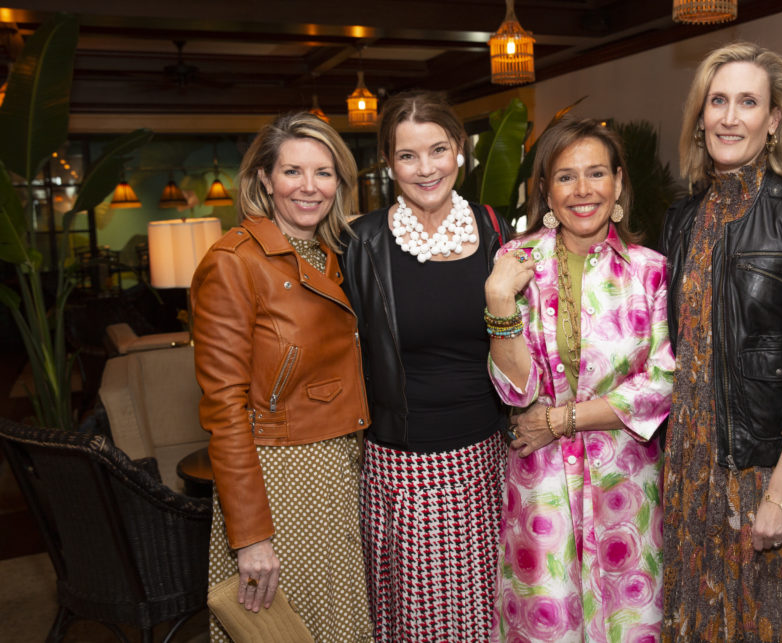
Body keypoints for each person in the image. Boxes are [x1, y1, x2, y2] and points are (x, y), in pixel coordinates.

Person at [659, 41, 782, 641]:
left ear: (773, 122)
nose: (729, 117)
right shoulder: (682, 220)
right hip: (690, 472)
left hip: (764, 469)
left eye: (748, 102)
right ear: (701, 117)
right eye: (718, 101)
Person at [484, 117, 675, 642]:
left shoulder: (650, 270)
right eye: (566, 177)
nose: (583, 190)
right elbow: (514, 391)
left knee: (629, 622)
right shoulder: (516, 262)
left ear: (618, 183)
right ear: (546, 188)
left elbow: (663, 381)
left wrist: (562, 419)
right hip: (540, 486)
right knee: (547, 622)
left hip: (626, 485)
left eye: (596, 174)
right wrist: (500, 301)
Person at [192, 111, 373, 642]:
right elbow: (223, 409)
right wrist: (249, 536)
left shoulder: (330, 252)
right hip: (280, 475)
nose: (309, 187)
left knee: (337, 624)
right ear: (265, 180)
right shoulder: (234, 261)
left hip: (337, 463)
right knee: (286, 630)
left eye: (324, 172)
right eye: (293, 171)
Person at [340, 90, 513, 641]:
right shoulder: (360, 241)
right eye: (407, 156)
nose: (425, 168)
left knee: (491, 617)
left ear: (460, 150)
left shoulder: (493, 229)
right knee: (420, 626)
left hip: (489, 460)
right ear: (389, 163)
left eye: (437, 150)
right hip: (404, 466)